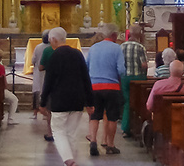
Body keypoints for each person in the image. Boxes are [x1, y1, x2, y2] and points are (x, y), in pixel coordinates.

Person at [39, 26, 93, 166]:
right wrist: (90, 102)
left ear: (54, 40)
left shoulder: (54, 55)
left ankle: (68, 161)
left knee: (58, 131)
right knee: (71, 133)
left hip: (59, 100)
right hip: (77, 99)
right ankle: (69, 161)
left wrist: (43, 102)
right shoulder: (77, 54)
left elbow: (48, 81)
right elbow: (85, 78)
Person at [86, 23, 126, 156]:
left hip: (94, 86)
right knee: (112, 117)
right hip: (111, 87)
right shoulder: (116, 48)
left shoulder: (93, 48)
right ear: (114, 35)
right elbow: (121, 70)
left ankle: (93, 141)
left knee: (94, 116)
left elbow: (87, 66)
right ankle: (110, 144)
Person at [119, 27, 148, 135]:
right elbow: (144, 65)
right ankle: (137, 127)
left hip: (125, 77)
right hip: (137, 78)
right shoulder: (140, 47)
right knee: (139, 103)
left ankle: (125, 127)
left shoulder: (121, 46)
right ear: (139, 35)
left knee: (127, 103)